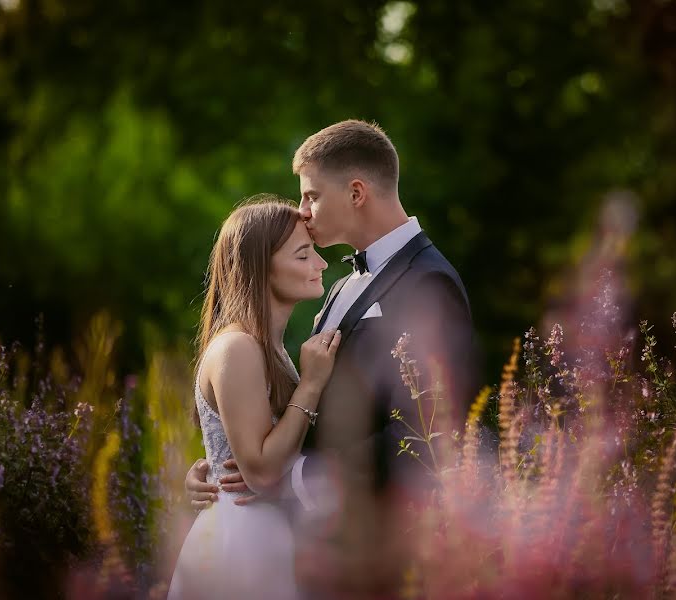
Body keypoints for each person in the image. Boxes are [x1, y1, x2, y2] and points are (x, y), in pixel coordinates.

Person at [185, 121, 477, 596]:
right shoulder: (340, 285)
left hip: (380, 551)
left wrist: (297, 477)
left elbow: (429, 429)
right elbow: (305, 414)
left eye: (311, 196)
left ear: (357, 192)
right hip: (314, 550)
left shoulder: (427, 283)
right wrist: (219, 464)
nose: (303, 210)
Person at [167, 197, 341, 600]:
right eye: (304, 255)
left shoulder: (268, 348)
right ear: (261, 267)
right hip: (243, 540)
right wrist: (310, 386)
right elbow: (261, 473)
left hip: (265, 535)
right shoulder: (239, 348)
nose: (321, 264)